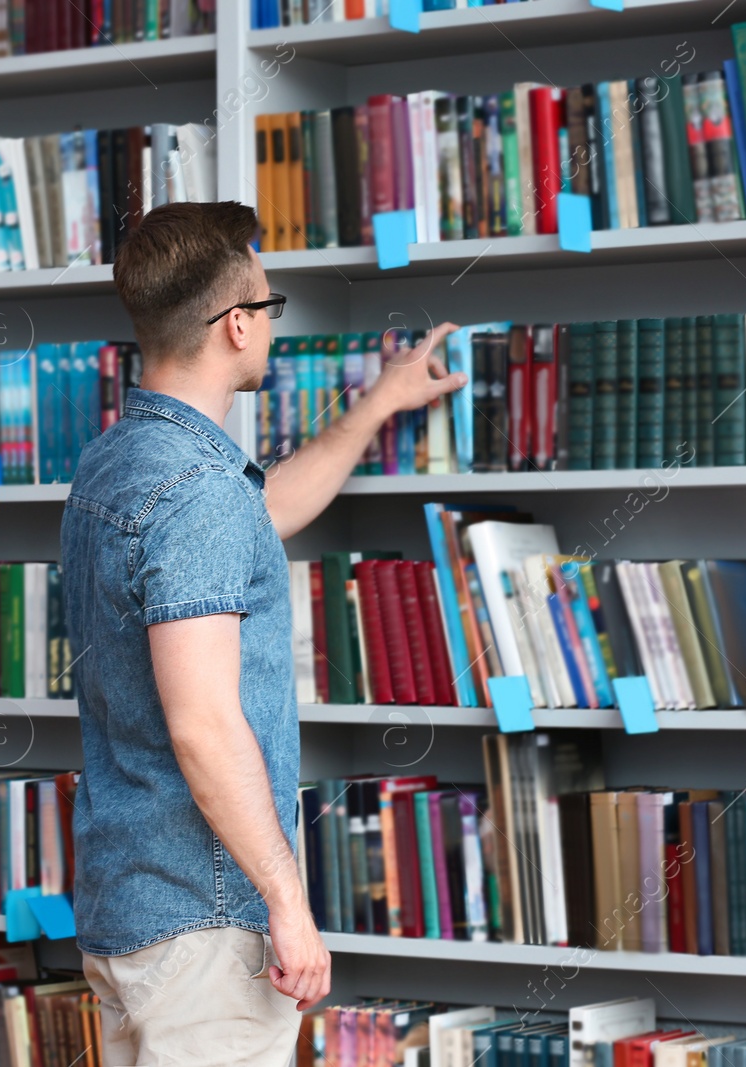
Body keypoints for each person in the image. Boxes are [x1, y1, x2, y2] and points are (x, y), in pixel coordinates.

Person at [60, 200, 465, 1065]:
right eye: (271, 307)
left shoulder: (120, 461)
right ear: (237, 325)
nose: (273, 326)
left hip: (131, 908)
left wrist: (380, 401)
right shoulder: (197, 491)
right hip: (205, 925)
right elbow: (203, 723)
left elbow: (260, 512)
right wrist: (287, 900)